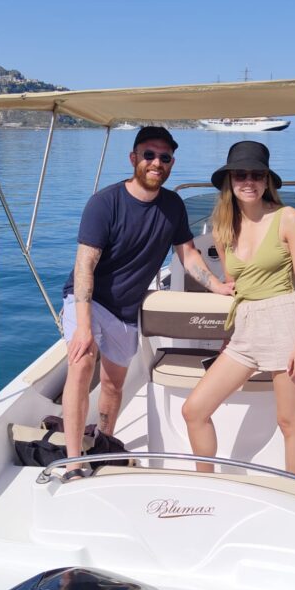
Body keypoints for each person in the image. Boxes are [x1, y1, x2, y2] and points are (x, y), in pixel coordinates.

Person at [61, 126, 233, 479]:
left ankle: (104, 444)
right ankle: (74, 461)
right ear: (133, 158)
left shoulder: (172, 206)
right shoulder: (105, 203)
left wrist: (217, 286)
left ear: (171, 163)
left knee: (114, 384)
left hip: (126, 310)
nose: (156, 162)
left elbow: (187, 253)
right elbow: (84, 266)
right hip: (89, 301)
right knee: (81, 365)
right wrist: (83, 327)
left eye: (164, 157)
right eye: (149, 155)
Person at [182, 141, 295, 476]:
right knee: (194, 410)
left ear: (267, 180)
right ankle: (205, 481)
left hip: (285, 324)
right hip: (245, 330)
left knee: (289, 421)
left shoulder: (287, 218)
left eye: (257, 175)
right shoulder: (223, 229)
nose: (249, 181)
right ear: (230, 181)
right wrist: (230, 331)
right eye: (240, 175)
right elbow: (236, 285)